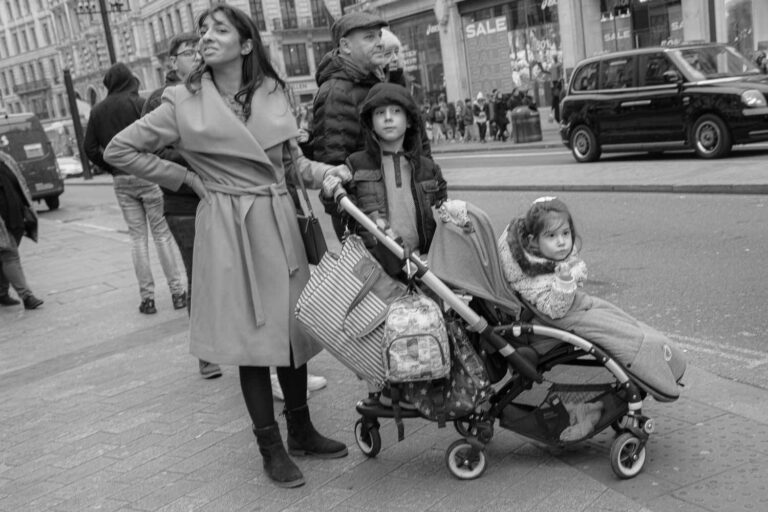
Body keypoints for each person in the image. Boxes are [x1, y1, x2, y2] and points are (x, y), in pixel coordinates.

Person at [104, 4, 351, 488]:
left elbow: (293, 162)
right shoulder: (181, 100)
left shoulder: (272, 91)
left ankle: (301, 428)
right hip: (229, 227)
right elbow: (119, 149)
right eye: (203, 30)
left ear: (245, 43)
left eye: (219, 29)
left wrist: (326, 173)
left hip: (278, 218)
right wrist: (185, 177)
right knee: (251, 339)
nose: (206, 37)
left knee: (291, 332)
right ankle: (270, 447)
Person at [497, 196, 685, 439]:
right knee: (628, 339)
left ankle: (664, 362)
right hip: (563, 318)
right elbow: (555, 309)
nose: (562, 242)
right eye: (551, 236)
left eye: (565, 233)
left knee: (629, 326)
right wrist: (565, 282)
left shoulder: (546, 263)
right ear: (533, 242)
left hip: (579, 308)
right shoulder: (533, 278)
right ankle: (657, 365)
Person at [141, 32, 222, 380]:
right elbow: (151, 152)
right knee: (199, 276)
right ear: (172, 61)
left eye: (199, 51)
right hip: (184, 205)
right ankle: (206, 354)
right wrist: (192, 164)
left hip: (221, 197)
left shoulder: (213, 90)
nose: (197, 57)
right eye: (188, 53)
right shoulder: (160, 100)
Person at [309, 11, 431, 241]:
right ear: (345, 46)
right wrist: (362, 227)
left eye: (378, 36)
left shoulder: (376, 80)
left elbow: (414, 140)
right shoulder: (337, 93)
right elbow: (334, 171)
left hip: (400, 205)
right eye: (369, 38)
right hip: (373, 221)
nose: (379, 43)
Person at [84, 62, 187, 315]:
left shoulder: (97, 111)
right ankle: (177, 293)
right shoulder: (137, 103)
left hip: (122, 180)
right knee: (162, 235)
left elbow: (90, 148)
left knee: (137, 239)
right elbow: (156, 138)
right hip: (148, 175)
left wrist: (112, 167)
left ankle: (148, 299)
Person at [321, 82, 447, 283]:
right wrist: (329, 193)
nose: (388, 117)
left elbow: (443, 216)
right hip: (376, 270)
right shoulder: (356, 164)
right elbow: (340, 209)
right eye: (380, 113)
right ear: (370, 122)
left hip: (423, 267)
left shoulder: (427, 168)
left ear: (409, 121)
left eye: (396, 111)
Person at [0, 150, 43, 310]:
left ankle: (2, 293)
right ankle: (27, 296)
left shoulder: (5, 158)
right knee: (9, 254)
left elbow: (20, 183)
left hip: (15, 216)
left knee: (4, 256)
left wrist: (27, 207)